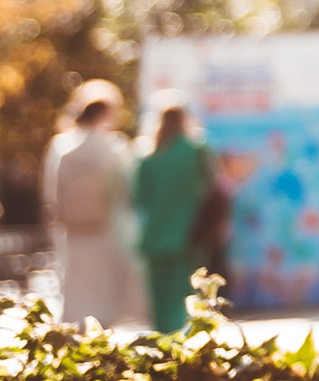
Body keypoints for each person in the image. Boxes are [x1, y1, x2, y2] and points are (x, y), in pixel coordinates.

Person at [41, 81, 147, 328]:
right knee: (104, 289)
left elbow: (50, 193)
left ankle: (76, 333)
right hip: (106, 228)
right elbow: (127, 189)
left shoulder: (61, 146)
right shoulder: (114, 146)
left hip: (72, 231)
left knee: (76, 288)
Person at [134, 97, 218, 333]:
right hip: (188, 232)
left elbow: (140, 197)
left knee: (160, 299)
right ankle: (186, 347)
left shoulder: (148, 155)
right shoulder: (197, 148)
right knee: (188, 294)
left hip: (155, 235)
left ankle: (164, 347)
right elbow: (213, 185)